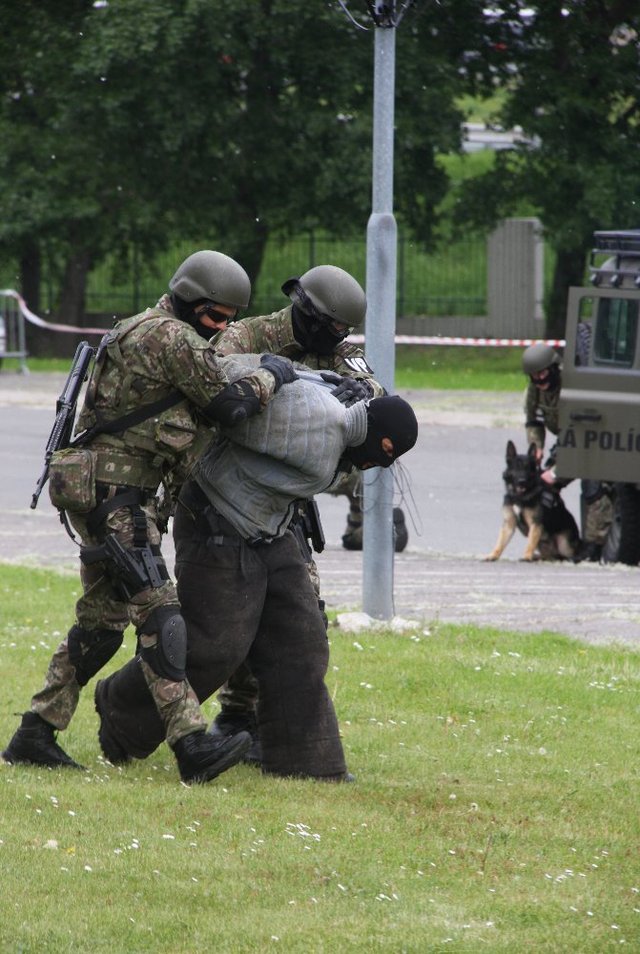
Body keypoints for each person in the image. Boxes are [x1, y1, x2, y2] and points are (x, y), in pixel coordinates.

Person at [1, 250, 299, 784]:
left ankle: (35, 733)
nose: (221, 327)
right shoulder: (170, 337)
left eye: (230, 319)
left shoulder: (142, 327)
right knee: (162, 619)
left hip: (107, 492)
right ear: (186, 297)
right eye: (213, 316)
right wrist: (272, 375)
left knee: (100, 625)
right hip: (116, 496)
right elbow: (228, 406)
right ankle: (191, 745)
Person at [93, 359, 419, 781]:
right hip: (214, 516)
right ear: (379, 439)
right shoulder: (314, 423)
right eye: (386, 453)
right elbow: (221, 403)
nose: (380, 464)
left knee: (301, 639)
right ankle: (121, 710)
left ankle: (305, 763)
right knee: (217, 644)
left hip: (271, 527)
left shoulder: (343, 427)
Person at [203, 264, 391, 753]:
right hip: (228, 493)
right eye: (332, 329)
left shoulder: (341, 351)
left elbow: (377, 394)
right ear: (304, 310)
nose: (339, 340)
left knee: (301, 613)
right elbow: (212, 382)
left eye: (344, 333)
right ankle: (232, 716)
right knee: (227, 617)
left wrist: (363, 395)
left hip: (288, 504)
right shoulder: (249, 335)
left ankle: (266, 719)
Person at [522, 341, 612, 562]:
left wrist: (556, 471)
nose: (540, 380)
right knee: (541, 490)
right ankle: (548, 541)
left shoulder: (572, 385)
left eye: (543, 374)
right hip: (566, 442)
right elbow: (533, 420)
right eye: (535, 376)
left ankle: (594, 546)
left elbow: (583, 430)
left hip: (591, 442)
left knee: (594, 489)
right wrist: (538, 447)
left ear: (553, 368)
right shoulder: (534, 391)